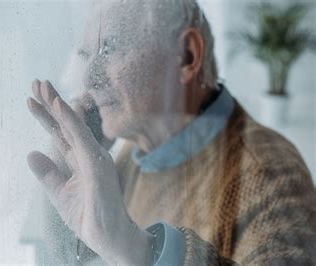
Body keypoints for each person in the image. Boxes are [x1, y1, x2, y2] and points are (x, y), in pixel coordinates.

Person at [26, 0, 316, 265]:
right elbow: (93, 254)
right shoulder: (135, 153)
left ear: (187, 56)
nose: (89, 79)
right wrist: (69, 174)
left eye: (109, 49)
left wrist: (139, 248)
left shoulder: (268, 175)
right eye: (86, 55)